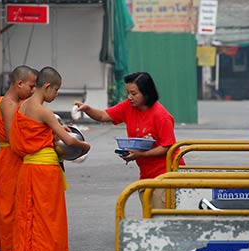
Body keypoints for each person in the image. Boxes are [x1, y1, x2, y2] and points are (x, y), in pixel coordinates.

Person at [10, 66, 90, 251]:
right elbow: (70, 140)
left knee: (29, 218)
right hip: (44, 171)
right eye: (56, 91)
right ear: (46, 87)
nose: (56, 95)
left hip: (27, 168)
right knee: (46, 219)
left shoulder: (22, 107)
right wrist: (86, 146)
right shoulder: (44, 112)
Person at [73, 71, 184, 209]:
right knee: (150, 220)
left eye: (134, 93)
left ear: (146, 92)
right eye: (128, 93)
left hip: (166, 174)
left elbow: (167, 146)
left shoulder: (161, 115)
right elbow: (103, 116)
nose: (129, 97)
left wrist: (141, 155)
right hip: (146, 175)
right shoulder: (128, 107)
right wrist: (87, 108)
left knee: (162, 220)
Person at [0, 65, 37, 251]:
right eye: (31, 86)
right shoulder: (7, 104)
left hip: (15, 159)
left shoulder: (17, 103)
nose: (33, 91)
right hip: (10, 160)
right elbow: (13, 137)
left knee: (21, 211)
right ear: (19, 84)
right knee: (8, 212)